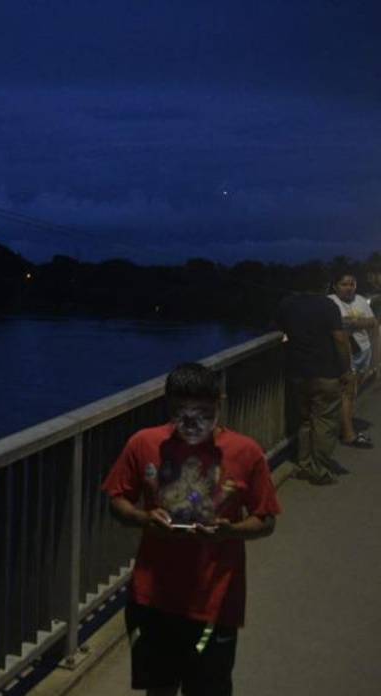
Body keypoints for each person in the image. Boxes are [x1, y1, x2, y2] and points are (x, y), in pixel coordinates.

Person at [102, 363, 280, 696]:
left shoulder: (246, 452)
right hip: (152, 599)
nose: (192, 420)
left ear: (220, 403)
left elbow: (266, 520)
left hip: (215, 602)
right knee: (159, 688)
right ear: (168, 405)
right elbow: (117, 500)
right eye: (181, 411)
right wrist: (144, 518)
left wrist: (231, 531)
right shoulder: (143, 443)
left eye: (203, 411)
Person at [276, 290, 355, 484]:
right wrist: (346, 370)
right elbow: (339, 338)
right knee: (325, 422)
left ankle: (303, 465)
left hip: (297, 372)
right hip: (325, 372)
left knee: (305, 421)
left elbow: (278, 331)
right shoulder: (328, 306)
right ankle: (319, 470)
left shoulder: (286, 303)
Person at [327, 273, 377, 448]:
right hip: (346, 354)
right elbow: (338, 325)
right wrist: (358, 322)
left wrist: (353, 322)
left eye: (352, 284)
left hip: (364, 350)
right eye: (344, 284)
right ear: (335, 286)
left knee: (353, 392)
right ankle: (348, 434)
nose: (349, 288)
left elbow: (372, 322)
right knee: (346, 393)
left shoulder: (361, 300)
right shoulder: (330, 301)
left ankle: (345, 425)